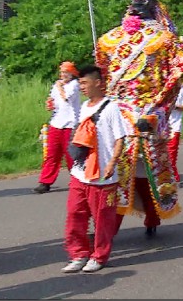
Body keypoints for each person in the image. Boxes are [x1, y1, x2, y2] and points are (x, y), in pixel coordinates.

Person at [94, 0, 183, 237]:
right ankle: (110, 224)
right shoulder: (112, 40)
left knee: (132, 169)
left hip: (136, 115)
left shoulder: (161, 40)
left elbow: (175, 76)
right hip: (127, 115)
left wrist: (157, 110)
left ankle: (145, 218)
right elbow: (99, 79)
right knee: (120, 169)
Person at [62, 65, 127, 274]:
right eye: (79, 83)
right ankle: (79, 254)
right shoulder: (83, 107)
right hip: (80, 173)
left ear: (97, 83)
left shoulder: (111, 108)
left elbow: (120, 138)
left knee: (102, 220)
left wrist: (112, 162)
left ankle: (99, 256)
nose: (81, 87)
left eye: (84, 83)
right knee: (75, 214)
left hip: (102, 176)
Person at [33, 61, 81, 194]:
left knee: (71, 155)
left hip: (70, 124)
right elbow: (54, 100)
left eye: (66, 72)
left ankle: (77, 180)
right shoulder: (57, 85)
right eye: (62, 72)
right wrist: (50, 103)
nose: (63, 75)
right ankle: (45, 182)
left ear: (72, 73)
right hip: (56, 123)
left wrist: (60, 86)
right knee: (52, 154)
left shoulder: (74, 85)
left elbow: (67, 98)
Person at [167, 81, 183, 182]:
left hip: (174, 126)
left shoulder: (181, 89)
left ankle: (172, 178)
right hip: (160, 127)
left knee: (171, 154)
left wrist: (174, 106)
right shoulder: (163, 88)